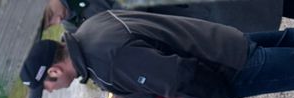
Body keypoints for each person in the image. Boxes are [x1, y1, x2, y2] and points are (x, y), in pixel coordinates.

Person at [21, 12, 294, 98]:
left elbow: (178, 76)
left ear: (54, 71)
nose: (48, 91)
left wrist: (217, 96)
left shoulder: (106, 63)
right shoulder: (91, 29)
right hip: (221, 41)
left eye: (44, 86)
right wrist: (125, 86)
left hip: (229, 67)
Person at [41, 0, 284, 34]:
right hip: (188, 23)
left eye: (50, 15)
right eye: (50, 24)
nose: (56, 21)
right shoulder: (74, 27)